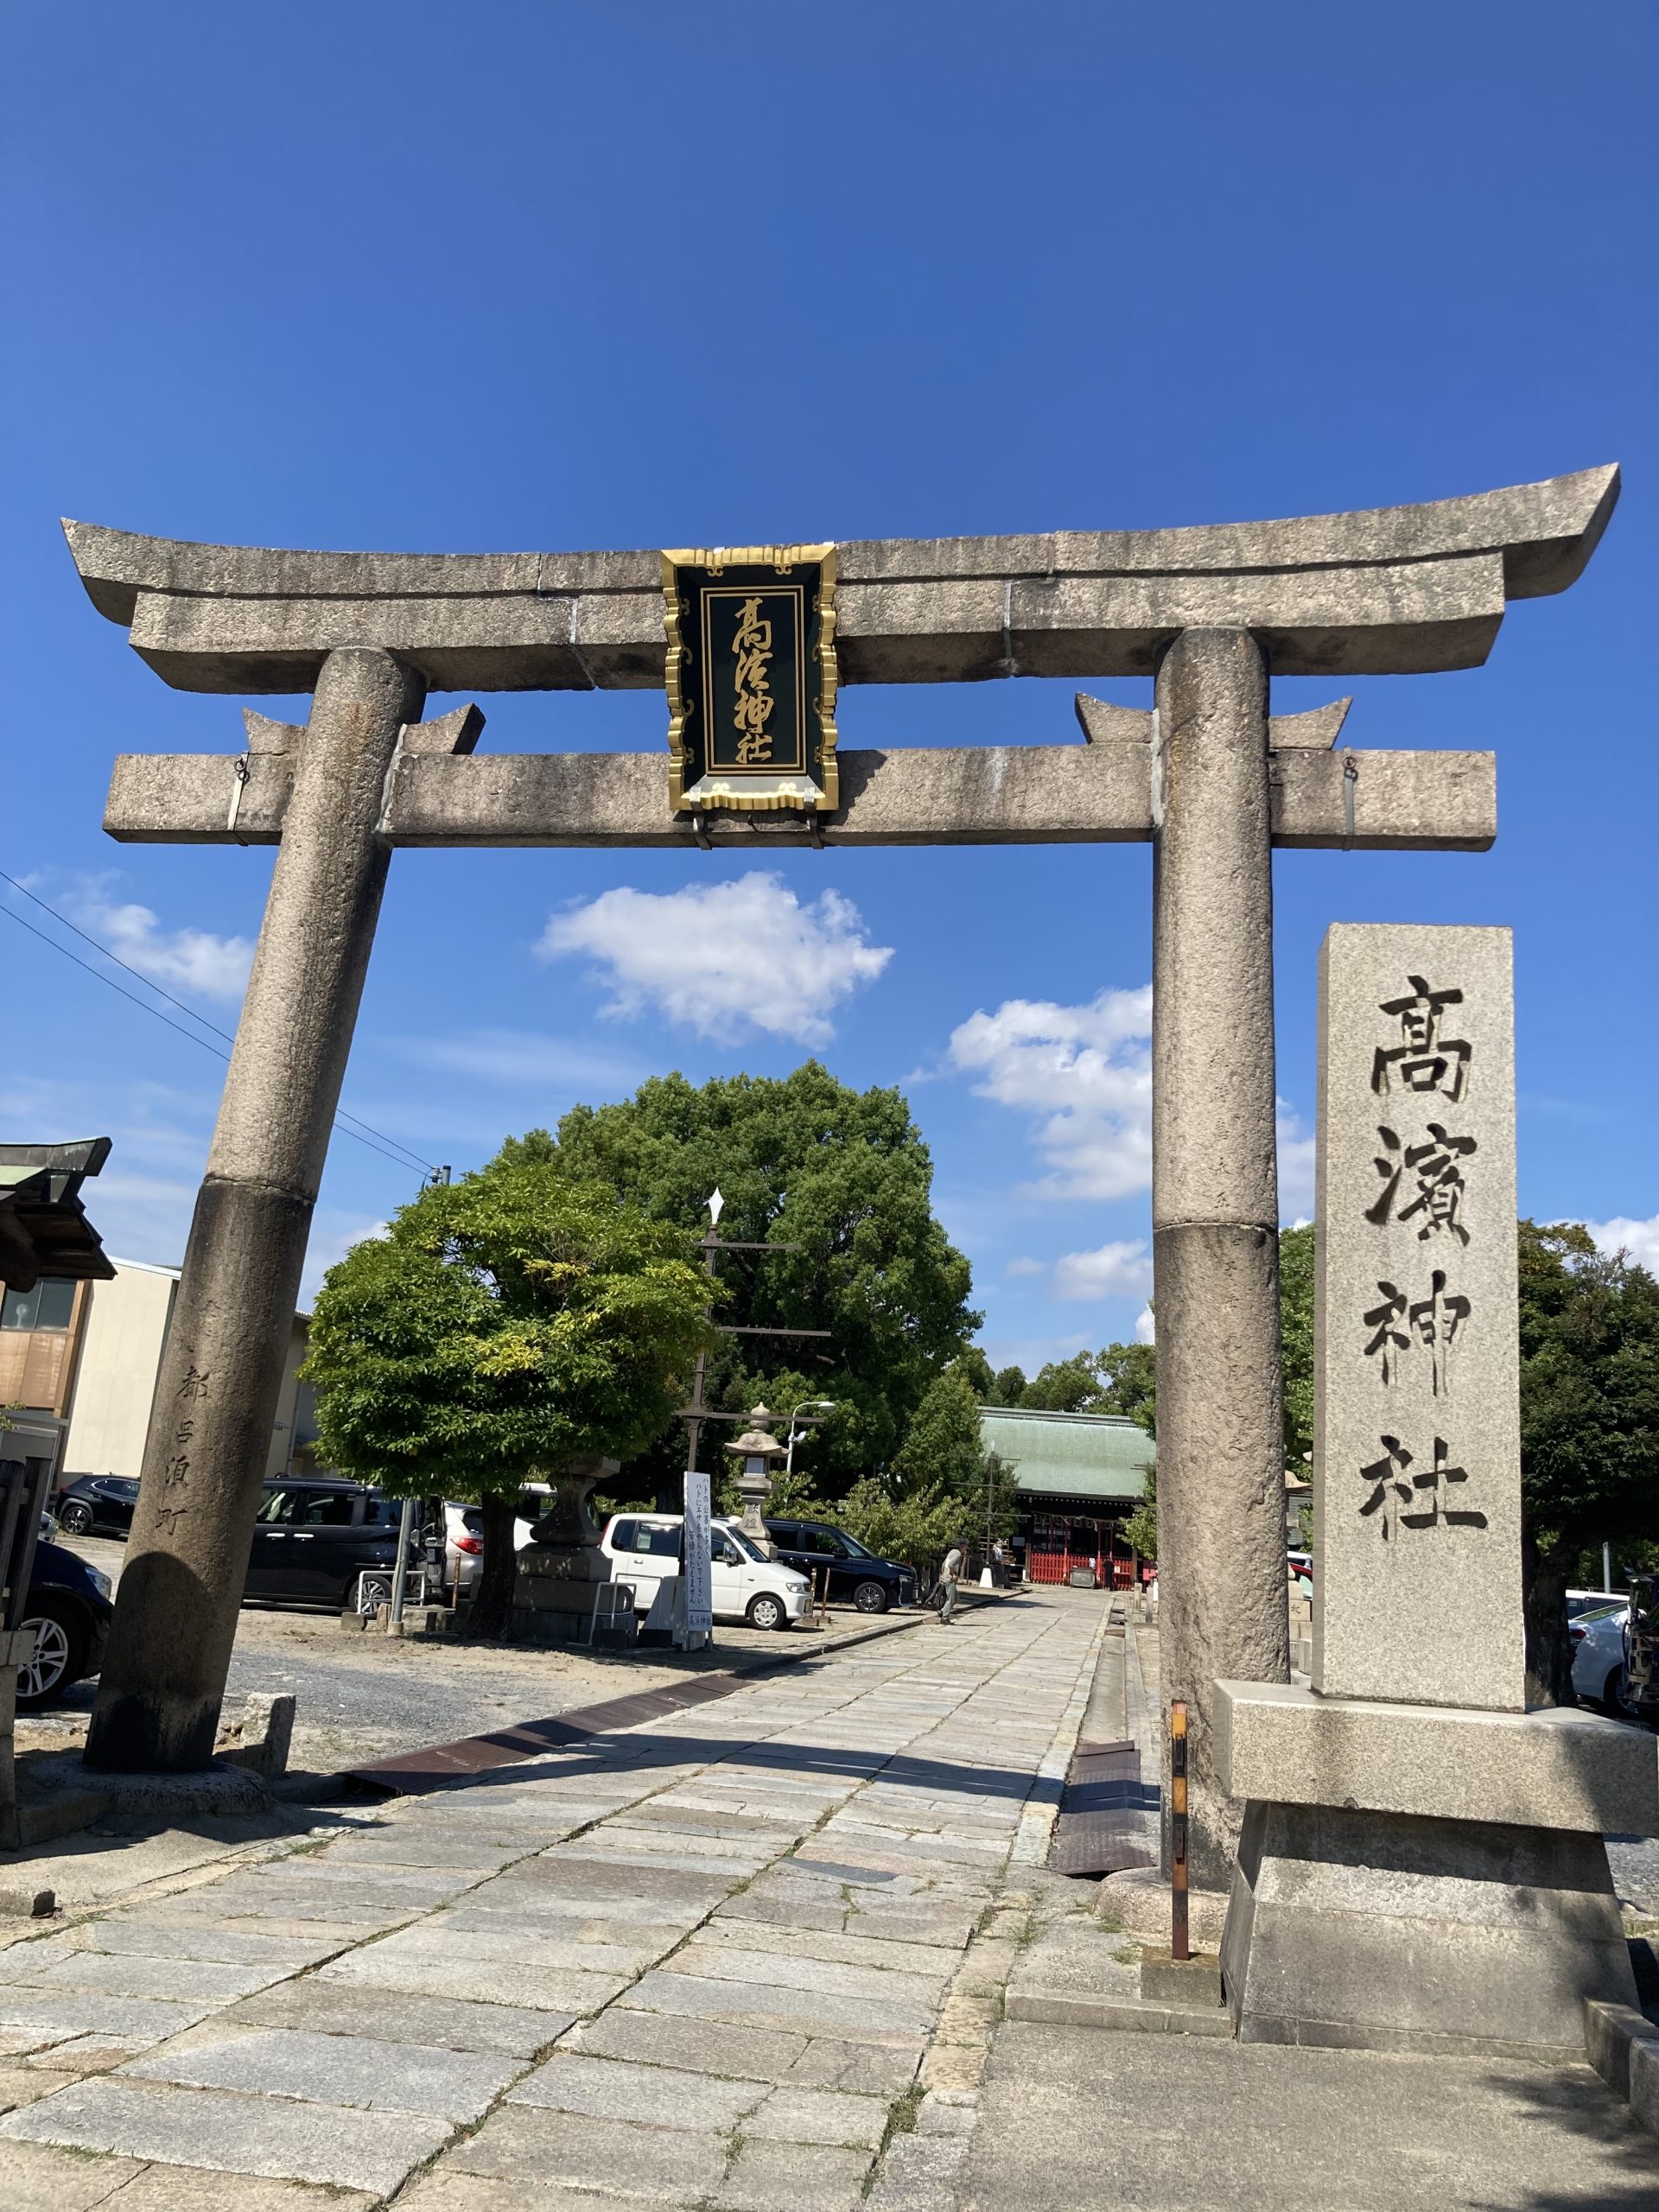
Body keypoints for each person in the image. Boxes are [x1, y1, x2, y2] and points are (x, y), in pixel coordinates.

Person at [938, 1538, 964, 1623]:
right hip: (950, 1578)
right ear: (962, 1546)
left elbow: (944, 1564)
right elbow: (950, 1564)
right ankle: (945, 1618)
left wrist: (942, 1575)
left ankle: (942, 1611)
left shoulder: (952, 1551)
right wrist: (953, 1574)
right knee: (951, 1599)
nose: (966, 1548)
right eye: (965, 1546)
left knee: (956, 1597)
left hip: (945, 1576)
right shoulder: (958, 1553)